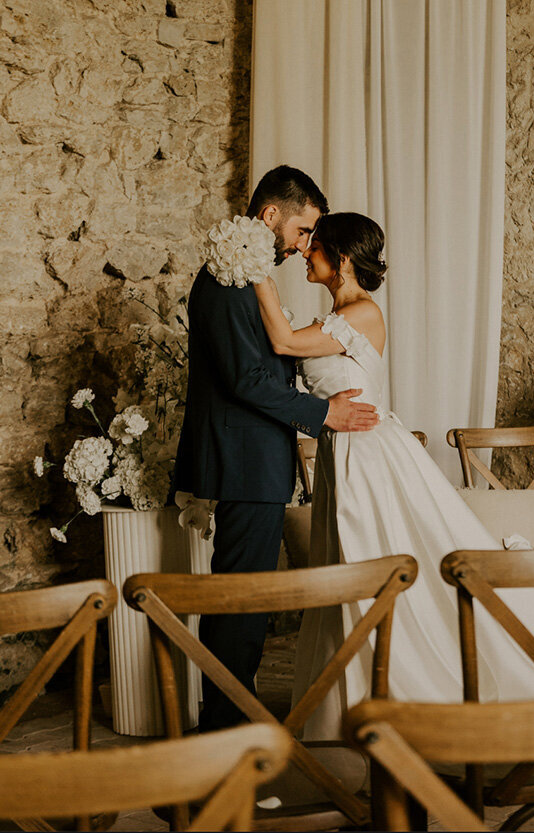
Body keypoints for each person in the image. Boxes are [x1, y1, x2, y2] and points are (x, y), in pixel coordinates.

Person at [253, 211, 534, 740]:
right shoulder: (337, 315)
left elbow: (282, 342)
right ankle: (347, 706)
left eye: (315, 246)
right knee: (345, 573)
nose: (305, 252)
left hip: (366, 459)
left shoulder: (364, 313)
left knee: (370, 569)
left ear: (341, 258)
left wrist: (251, 265)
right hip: (342, 453)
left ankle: (398, 700)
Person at [174, 169, 379, 733]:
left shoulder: (246, 276)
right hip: (244, 463)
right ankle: (224, 736)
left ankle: (232, 727)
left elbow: (270, 361)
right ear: (271, 217)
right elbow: (244, 379)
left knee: (248, 602)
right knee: (241, 604)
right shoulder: (227, 278)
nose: (304, 244)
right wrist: (322, 412)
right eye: (302, 228)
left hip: (257, 461)